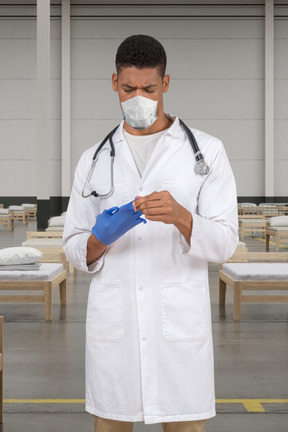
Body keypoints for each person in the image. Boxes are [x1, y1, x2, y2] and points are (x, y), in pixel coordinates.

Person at [63, 34, 239, 432]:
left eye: (149, 88)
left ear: (166, 84)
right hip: (116, 327)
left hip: (178, 328)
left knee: (185, 426)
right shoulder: (93, 160)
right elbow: (74, 245)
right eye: (128, 88)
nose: (139, 97)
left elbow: (227, 240)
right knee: (110, 424)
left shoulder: (205, 152)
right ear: (114, 83)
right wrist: (98, 239)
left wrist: (182, 217)